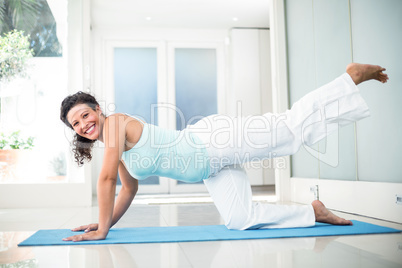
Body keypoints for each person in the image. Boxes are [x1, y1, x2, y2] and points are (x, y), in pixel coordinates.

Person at [60, 63, 388, 242]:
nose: (84, 124)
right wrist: (106, 224)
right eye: (76, 123)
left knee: (289, 130)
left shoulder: (116, 123)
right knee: (240, 219)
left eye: (86, 115)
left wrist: (101, 231)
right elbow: (126, 189)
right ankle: (312, 213)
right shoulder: (116, 150)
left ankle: (349, 78)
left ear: (99, 110)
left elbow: (104, 180)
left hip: (213, 141)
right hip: (211, 169)